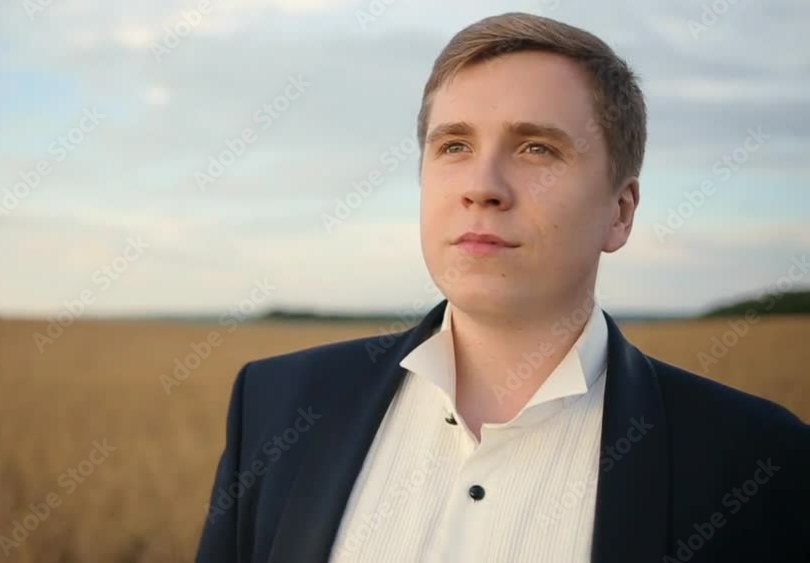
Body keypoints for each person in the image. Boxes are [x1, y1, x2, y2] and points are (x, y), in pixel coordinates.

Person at [195, 12, 809, 563]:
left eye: (536, 148)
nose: (481, 185)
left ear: (620, 213)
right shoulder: (275, 406)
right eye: (455, 145)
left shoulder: (760, 460)